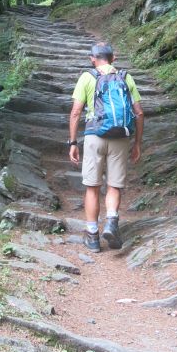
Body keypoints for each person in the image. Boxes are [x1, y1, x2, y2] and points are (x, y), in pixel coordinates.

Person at [68, 42, 144, 252]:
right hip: (121, 137)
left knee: (92, 187)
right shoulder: (125, 77)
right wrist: (137, 142)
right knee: (114, 185)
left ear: (92, 59)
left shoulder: (87, 77)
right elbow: (139, 112)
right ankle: (111, 222)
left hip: (94, 136)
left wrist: (73, 142)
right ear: (113, 58)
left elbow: (75, 112)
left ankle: (92, 236)